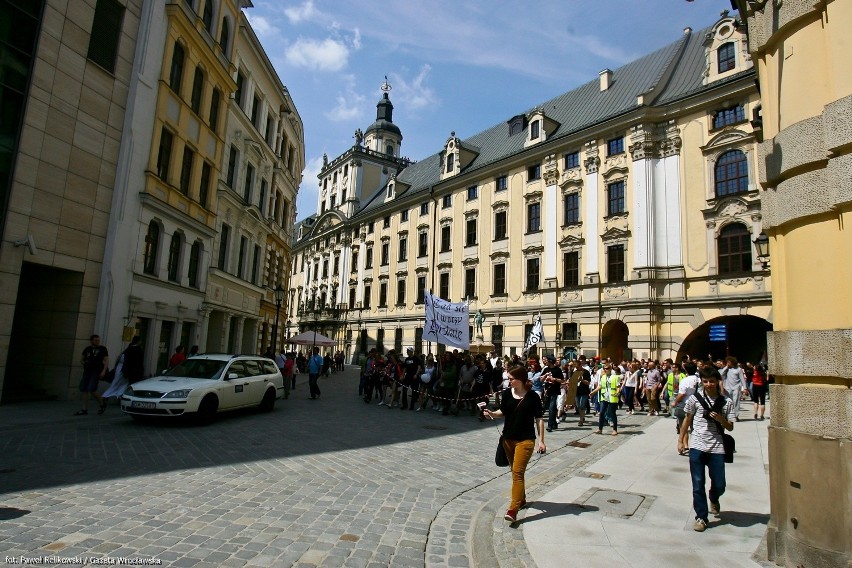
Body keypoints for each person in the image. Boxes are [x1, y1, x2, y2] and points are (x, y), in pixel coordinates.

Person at [483, 365, 546, 524]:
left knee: (517, 473)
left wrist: (541, 441)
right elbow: (502, 412)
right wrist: (491, 414)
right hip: (508, 439)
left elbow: (539, 419)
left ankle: (513, 508)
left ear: (521, 379)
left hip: (525, 440)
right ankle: (522, 498)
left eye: (511, 379)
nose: (508, 381)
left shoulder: (533, 397)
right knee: (515, 472)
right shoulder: (506, 394)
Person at [677, 365, 736, 532]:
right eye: (705, 381)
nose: (708, 384)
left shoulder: (726, 402)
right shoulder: (695, 399)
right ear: (701, 382)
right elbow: (687, 420)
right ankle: (701, 517)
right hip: (697, 446)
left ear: (718, 381)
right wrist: (681, 440)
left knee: (719, 484)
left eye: (711, 381)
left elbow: (730, 427)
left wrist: (721, 419)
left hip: (717, 447)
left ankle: (714, 497)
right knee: (697, 484)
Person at [76, 334, 108, 416]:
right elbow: (82, 359)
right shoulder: (87, 349)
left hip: (96, 371)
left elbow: (106, 360)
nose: (97, 342)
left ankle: (102, 402)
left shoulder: (102, 349)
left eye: (98, 340)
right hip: (87, 371)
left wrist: (103, 371)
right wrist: (84, 363)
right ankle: (84, 409)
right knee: (84, 389)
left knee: (92, 389)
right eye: (95, 340)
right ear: (91, 341)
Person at [590, 364, 622, 436]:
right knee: (601, 413)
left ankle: (615, 429)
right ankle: (600, 429)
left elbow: (619, 386)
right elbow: (600, 386)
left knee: (612, 413)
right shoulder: (603, 377)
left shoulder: (616, 377)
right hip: (604, 397)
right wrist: (593, 392)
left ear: (611, 369)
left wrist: (617, 392)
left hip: (612, 397)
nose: (605, 370)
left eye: (607, 368)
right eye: (604, 368)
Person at [719, 357, 748, 421]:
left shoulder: (739, 369)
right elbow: (721, 374)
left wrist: (745, 388)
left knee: (736, 402)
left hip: (736, 388)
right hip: (728, 388)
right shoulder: (727, 369)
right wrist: (726, 367)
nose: (728, 363)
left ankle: (735, 416)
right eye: (727, 362)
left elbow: (742, 379)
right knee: (728, 402)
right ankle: (728, 415)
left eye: (729, 362)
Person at [541, 355, 564, 432]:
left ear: (550, 361)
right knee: (551, 408)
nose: (545, 361)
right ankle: (554, 423)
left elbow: (562, 381)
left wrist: (554, 379)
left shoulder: (557, 370)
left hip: (555, 391)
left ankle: (550, 425)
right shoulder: (546, 369)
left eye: (546, 360)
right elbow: (541, 379)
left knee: (551, 408)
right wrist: (544, 376)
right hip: (547, 391)